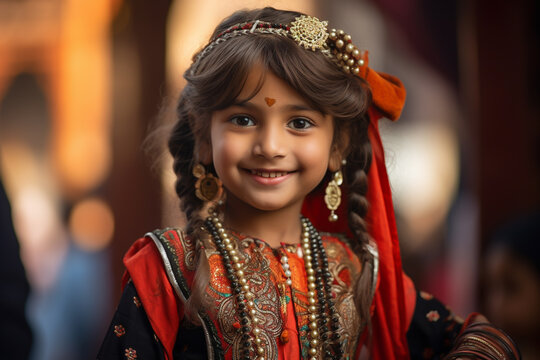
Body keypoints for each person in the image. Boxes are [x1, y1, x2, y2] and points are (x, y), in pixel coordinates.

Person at [98, 7, 520, 360]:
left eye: (299, 123)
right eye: (243, 120)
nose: (270, 145)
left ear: (338, 147)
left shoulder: (355, 272)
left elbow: (483, 337)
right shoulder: (169, 267)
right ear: (204, 137)